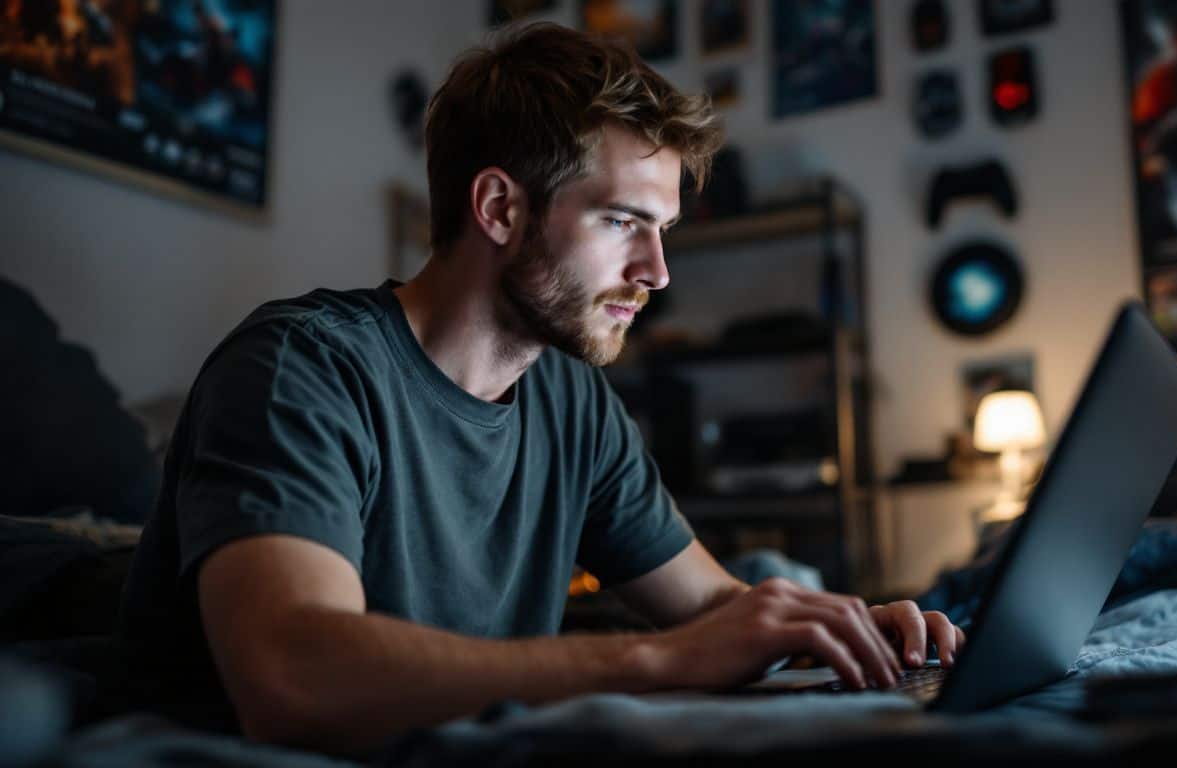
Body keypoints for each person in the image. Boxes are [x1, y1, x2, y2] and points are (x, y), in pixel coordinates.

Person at [118, 21, 964, 756]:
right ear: (498, 208)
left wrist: (841, 624)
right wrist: (655, 662)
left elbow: (715, 607)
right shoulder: (298, 370)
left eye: (662, 231)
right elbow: (293, 679)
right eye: (623, 222)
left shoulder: (573, 402)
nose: (658, 273)